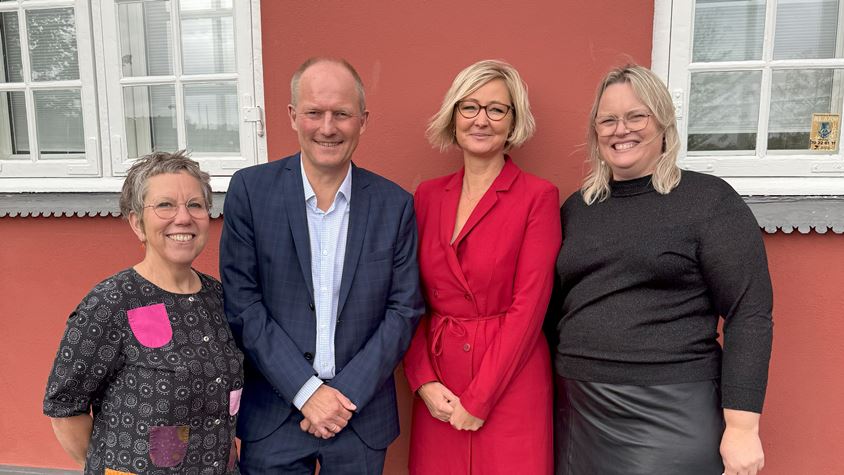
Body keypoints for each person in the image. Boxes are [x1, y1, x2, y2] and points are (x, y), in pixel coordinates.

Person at [551, 64, 773, 475]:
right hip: (578, 409)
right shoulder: (577, 209)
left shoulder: (709, 201)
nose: (621, 130)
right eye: (608, 120)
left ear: (664, 123)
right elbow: (553, 309)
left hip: (671, 407)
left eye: (636, 116)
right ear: (595, 132)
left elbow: (749, 314)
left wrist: (743, 426)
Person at [220, 57, 425, 474]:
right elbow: (242, 303)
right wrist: (307, 391)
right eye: (314, 112)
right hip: (275, 414)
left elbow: (403, 310)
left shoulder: (395, 205)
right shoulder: (251, 192)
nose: (327, 128)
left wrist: (341, 397)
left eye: (341, 114)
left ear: (363, 120)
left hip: (359, 416)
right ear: (293, 115)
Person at [403, 59, 560, 474]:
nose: (481, 120)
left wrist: (480, 398)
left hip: (511, 382)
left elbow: (530, 307)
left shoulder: (537, 197)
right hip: (440, 385)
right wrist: (422, 380)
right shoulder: (427, 197)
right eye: (469, 107)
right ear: (454, 116)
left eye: (496, 109)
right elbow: (408, 298)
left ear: (513, 121)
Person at [43, 151, 244, 474]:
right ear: (138, 223)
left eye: (195, 205)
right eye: (165, 205)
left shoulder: (219, 297)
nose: (183, 218)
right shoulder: (111, 302)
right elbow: (65, 406)